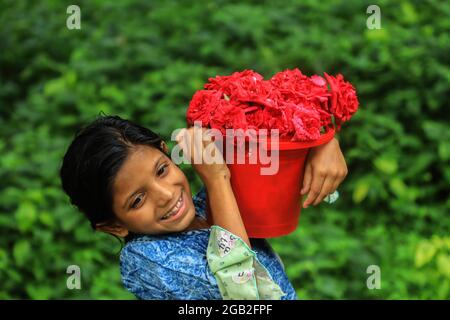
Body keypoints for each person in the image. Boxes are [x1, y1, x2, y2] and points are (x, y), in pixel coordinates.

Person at [60, 115, 347, 299]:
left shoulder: (202, 205)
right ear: (114, 225)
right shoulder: (146, 261)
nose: (165, 195)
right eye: (137, 200)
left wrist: (323, 142)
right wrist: (217, 179)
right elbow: (245, 294)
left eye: (161, 170)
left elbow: (272, 142)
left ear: (166, 151)